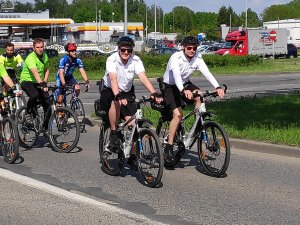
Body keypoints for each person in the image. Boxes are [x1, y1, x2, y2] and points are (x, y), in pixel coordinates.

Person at [100, 36, 162, 167]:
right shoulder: (111, 60)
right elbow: (113, 79)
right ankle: (113, 133)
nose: (126, 53)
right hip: (110, 90)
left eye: (129, 50)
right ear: (118, 49)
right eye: (123, 50)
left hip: (127, 91)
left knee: (133, 123)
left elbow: (143, 77)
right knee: (115, 102)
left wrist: (154, 92)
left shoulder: (136, 59)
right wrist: (117, 95)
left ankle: (133, 156)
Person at [161, 36, 225, 163]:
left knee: (200, 96)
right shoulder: (175, 58)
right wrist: (183, 90)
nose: (192, 50)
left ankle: (198, 125)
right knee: (178, 115)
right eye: (189, 48)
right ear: (183, 48)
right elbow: (177, 76)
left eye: (194, 48)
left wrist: (217, 87)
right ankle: (169, 146)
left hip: (185, 84)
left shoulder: (197, 58)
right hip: (170, 86)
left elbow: (207, 72)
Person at [20, 38, 51, 133]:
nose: (40, 49)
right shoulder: (30, 58)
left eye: (42, 47)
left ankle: (45, 128)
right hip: (27, 81)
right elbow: (35, 72)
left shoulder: (45, 55)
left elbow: (47, 70)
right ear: (34, 48)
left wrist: (44, 82)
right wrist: (42, 84)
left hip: (39, 81)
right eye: (37, 47)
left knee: (48, 104)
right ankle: (28, 113)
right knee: (34, 95)